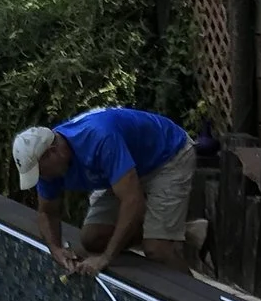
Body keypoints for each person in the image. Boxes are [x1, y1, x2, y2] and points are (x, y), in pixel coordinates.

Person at [12, 107, 197, 276]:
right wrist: (56, 249)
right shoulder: (47, 168)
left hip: (167, 156)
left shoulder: (99, 138)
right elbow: (47, 212)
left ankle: (197, 299)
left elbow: (132, 200)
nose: (41, 177)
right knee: (93, 239)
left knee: (158, 249)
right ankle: (179, 231)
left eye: (40, 171)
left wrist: (106, 258)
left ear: (53, 152)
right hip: (126, 170)